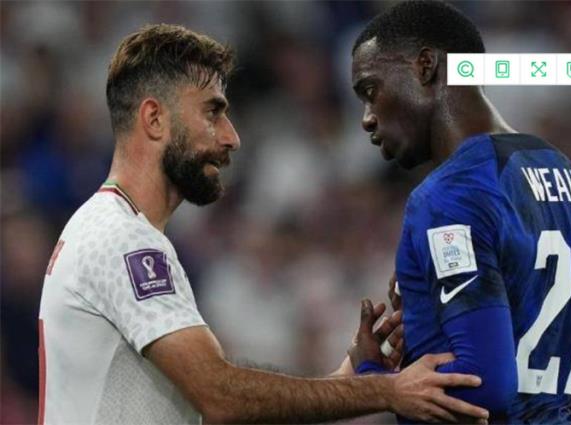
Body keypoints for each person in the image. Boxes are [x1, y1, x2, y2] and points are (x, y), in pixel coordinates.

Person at [37, 23, 491, 425]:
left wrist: (349, 376)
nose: (231, 136)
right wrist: (387, 391)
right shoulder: (124, 240)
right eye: (212, 111)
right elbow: (221, 396)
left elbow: (216, 404)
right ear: (154, 118)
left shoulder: (112, 228)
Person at [350, 1, 571, 423]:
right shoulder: (567, 175)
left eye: (370, 90)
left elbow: (484, 386)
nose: (366, 118)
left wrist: (372, 378)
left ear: (425, 66)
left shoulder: (450, 194)